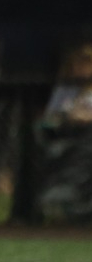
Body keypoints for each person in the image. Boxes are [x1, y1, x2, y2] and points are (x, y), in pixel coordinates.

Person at [36, 42, 92, 222]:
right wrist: (68, 117)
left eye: (87, 64)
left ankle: (76, 207)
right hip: (64, 135)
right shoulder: (65, 90)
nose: (82, 69)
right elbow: (49, 118)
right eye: (79, 64)